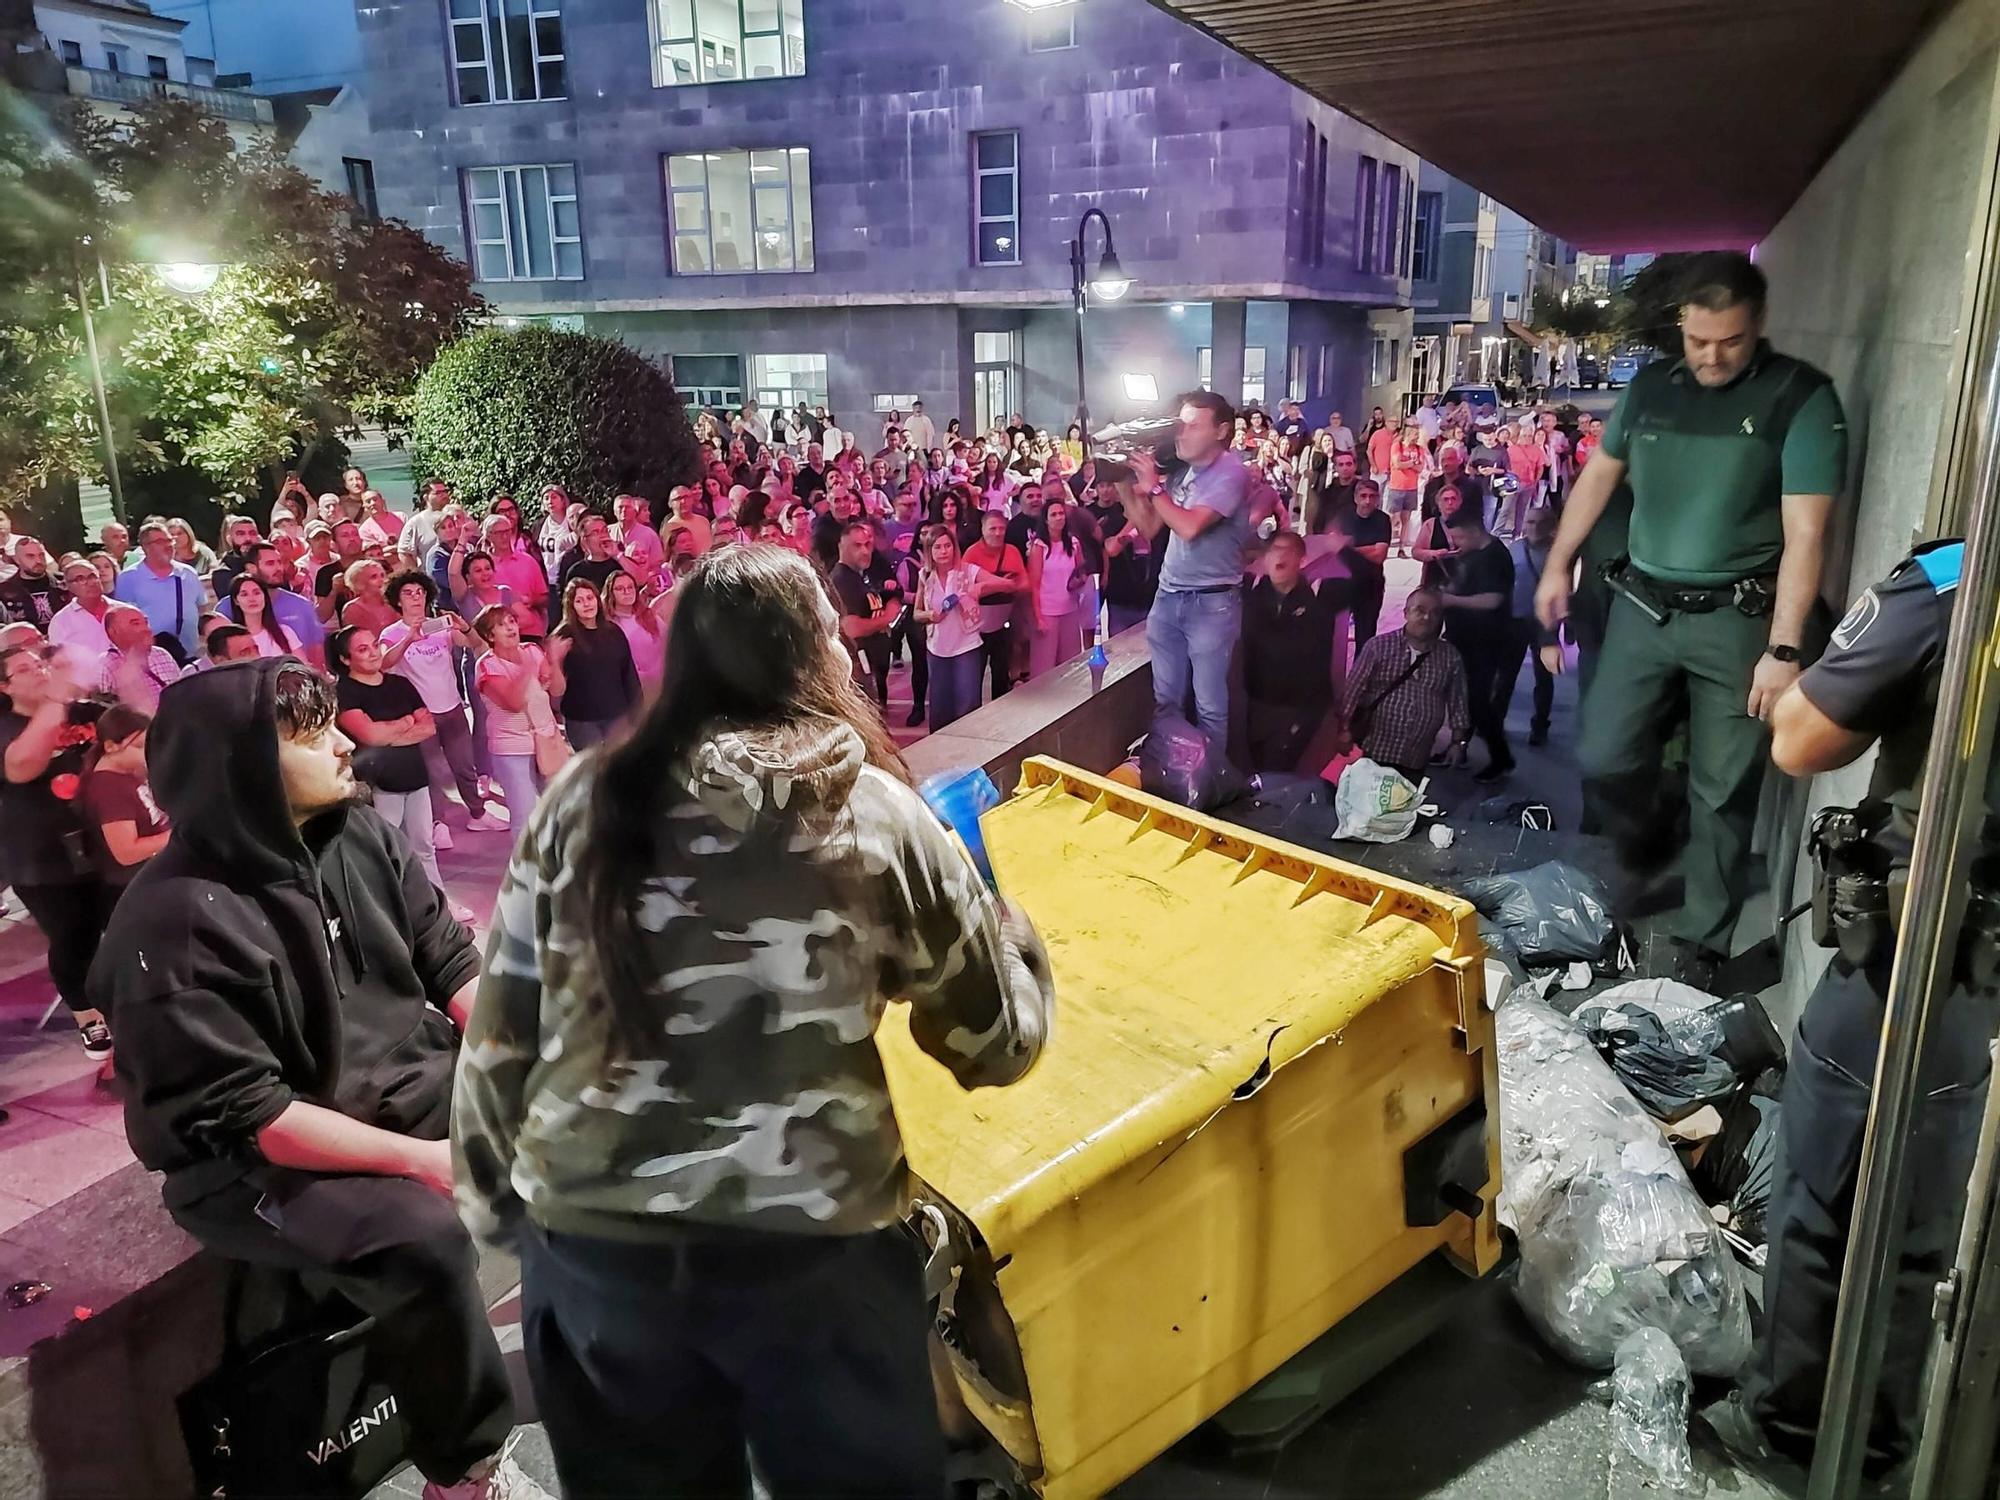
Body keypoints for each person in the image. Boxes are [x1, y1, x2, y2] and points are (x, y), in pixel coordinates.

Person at [450, 542, 1053, 1499]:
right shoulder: (881, 819)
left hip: (599, 1252)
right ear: (817, 654)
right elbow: (994, 1047)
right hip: (814, 1258)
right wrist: (1016, 943)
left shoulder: (582, 804)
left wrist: (496, 1212)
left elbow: (502, 1033)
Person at [91, 659, 545, 1500]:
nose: (345, 747)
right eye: (315, 735)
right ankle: (467, 1469)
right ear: (243, 766)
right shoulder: (173, 921)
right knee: (423, 1239)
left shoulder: (357, 833)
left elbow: (449, 962)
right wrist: (433, 1161)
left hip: (401, 1087)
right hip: (256, 1159)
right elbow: (257, 1115)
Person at [1708, 539, 1989, 1483]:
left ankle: (1795, 1435)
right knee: (1932, 1221)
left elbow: (1799, 738)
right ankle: (1891, 1446)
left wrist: (1802, 669)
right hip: (1980, 984)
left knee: (1830, 1195)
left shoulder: (1960, 580)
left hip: (1915, 970)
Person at [1536, 250, 1847, 988]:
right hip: (1645, 606)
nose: (1712, 357)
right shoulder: (1649, 389)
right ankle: (1650, 842)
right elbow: (1596, 481)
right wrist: (1558, 563)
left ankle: (1702, 942)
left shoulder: (1801, 398)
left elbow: (1807, 535)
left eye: (1730, 341)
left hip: (1739, 620)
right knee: (1604, 753)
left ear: (1757, 326)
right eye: (1699, 340)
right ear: (1683, 326)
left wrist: (1784, 646)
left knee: (1725, 786)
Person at [0, 641, 115, 1057]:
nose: (39, 672)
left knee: (123, 921)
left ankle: (133, 1000)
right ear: (5, 686)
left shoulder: (80, 710)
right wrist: (55, 700)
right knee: (73, 937)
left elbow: (134, 727)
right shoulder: (7, 725)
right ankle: (88, 1017)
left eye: (40, 664)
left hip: (100, 840)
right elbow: (21, 766)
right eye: (26, 669)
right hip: (41, 853)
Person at [1124, 391, 1255, 749]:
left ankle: (1210, 785)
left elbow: (1189, 527)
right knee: (1166, 701)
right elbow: (1150, 527)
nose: (1181, 433)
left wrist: (1152, 486)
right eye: (1179, 425)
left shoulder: (1231, 473)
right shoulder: (1183, 471)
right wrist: (1121, 477)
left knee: (1209, 705)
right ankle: (1172, 768)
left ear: (1220, 431)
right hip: (1169, 596)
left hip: (1212, 603)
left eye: (1193, 426)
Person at [331, 626, 475, 924]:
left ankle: (440, 905)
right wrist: (406, 723)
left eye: (374, 645)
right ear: (345, 659)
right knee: (385, 852)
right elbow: (369, 734)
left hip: (414, 776)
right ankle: (390, 914)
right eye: (362, 649)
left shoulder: (399, 684)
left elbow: (428, 727)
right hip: (380, 784)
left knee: (424, 847)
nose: (372, 653)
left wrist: (391, 731)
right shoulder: (345, 691)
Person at [378, 570, 504, 837]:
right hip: (421, 714)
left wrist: (463, 626)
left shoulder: (441, 626)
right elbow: (383, 663)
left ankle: (478, 813)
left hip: (452, 706)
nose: (416, 598)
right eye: (408, 593)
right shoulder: (391, 632)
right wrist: (408, 639)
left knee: (464, 765)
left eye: (420, 592)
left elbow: (477, 645)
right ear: (398, 601)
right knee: (432, 772)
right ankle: (437, 824)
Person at [1338, 588, 1470, 784]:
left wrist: (1457, 743)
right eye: (1420, 610)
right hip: (1375, 750)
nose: (1427, 617)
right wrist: (1343, 730)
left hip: (1415, 756)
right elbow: (1352, 691)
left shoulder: (1450, 657)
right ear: (1406, 613)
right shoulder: (1378, 647)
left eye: (1435, 613)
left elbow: (1458, 703)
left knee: (1403, 809)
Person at [1241, 532, 1336, 771]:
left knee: (1278, 767)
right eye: (1274, 549)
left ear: (1301, 561)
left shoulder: (1315, 605)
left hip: (1297, 707)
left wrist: (1305, 716)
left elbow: (1315, 664)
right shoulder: (1253, 594)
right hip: (1259, 703)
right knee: (1258, 766)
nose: (1279, 555)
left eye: (1287, 550)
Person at [1436, 509, 1518, 782]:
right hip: (1463, 637)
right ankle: (1458, 748)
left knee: (1479, 702)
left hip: (1486, 640)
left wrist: (1451, 602)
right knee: (1463, 699)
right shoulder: (1469, 553)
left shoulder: (1495, 557)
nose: (1455, 542)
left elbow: (1493, 599)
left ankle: (1501, 758)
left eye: (1459, 536)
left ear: (1474, 531)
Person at [473, 604, 564, 822]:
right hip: (512, 749)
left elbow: (557, 690)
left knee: (559, 807)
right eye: (501, 625)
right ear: (489, 635)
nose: (510, 628)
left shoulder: (532, 650)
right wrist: (527, 667)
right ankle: (523, 857)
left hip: (547, 741)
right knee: (525, 817)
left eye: (511, 621)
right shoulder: (487, 666)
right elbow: (514, 703)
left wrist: (555, 660)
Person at [80, 702, 169, 888]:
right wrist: (178, 835)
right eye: (139, 746)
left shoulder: (129, 771)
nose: (147, 752)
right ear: (111, 746)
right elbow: (126, 852)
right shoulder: (108, 788)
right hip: (138, 883)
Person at [915, 527, 993, 730]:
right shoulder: (924, 575)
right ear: (929, 551)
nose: (943, 551)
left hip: (966, 645)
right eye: (938, 547)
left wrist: (980, 588)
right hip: (937, 648)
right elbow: (916, 613)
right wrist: (930, 615)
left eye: (947, 546)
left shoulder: (967, 570)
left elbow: (1004, 583)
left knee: (967, 704)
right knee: (940, 706)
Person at [548, 577, 640, 749]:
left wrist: (637, 711)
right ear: (571, 606)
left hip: (617, 715)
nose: (586, 604)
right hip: (583, 720)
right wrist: (554, 660)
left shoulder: (613, 632)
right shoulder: (563, 636)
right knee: (594, 771)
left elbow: (629, 675)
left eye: (590, 598)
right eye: (579, 601)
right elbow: (556, 691)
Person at [1501, 507, 1558, 748]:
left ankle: (1540, 726)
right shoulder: (1514, 548)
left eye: (1540, 522)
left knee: (1543, 678)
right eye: (1530, 522)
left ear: (1550, 525)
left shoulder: (1559, 551)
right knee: (1504, 676)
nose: (1534, 527)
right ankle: (1495, 721)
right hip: (1515, 620)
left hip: (1545, 622)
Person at [828, 522, 902, 709]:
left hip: (870, 664)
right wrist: (887, 618)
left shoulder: (857, 575)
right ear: (841, 547)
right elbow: (851, 628)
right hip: (857, 668)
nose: (865, 551)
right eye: (857, 545)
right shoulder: (841, 579)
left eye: (867, 545)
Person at [222, 543, 325, 665]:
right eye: (270, 563)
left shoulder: (301, 606)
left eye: (279, 562)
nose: (279, 568)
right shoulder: (224, 609)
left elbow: (316, 651)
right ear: (251, 568)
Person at [114, 522, 203, 661]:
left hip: (190, 655)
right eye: (160, 541)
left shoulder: (188, 573)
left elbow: (201, 608)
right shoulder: (128, 578)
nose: (168, 546)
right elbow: (123, 621)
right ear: (145, 547)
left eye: (169, 540)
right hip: (152, 658)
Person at [963, 509, 1027, 700]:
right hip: (977, 628)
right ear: (983, 529)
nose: (998, 533)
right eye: (992, 528)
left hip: (1002, 624)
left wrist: (987, 586)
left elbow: (1024, 584)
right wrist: (1002, 584)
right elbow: (966, 591)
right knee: (974, 675)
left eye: (1001, 528)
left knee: (1001, 673)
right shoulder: (972, 553)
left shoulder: (1012, 551)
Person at [1094, 460, 1161, 638]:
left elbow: (1151, 532)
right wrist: (1133, 522)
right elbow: (1111, 548)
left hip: (1153, 596)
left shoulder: (1161, 513)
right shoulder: (1113, 519)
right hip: (1121, 596)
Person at [1025, 496, 1086, 678]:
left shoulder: (1074, 543)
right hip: (1047, 611)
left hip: (1070, 608)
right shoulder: (1039, 547)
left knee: (1070, 661)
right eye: (1054, 514)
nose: (1059, 517)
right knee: (1044, 664)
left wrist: (1079, 581)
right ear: (1046, 519)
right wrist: (1037, 617)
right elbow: (1033, 585)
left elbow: (1081, 571)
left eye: (1061, 514)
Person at [1332, 479, 1393, 650]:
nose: (1367, 501)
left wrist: (1349, 547)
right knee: (1334, 636)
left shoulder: (1382, 520)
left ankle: (1361, 674)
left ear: (1378, 499)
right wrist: (1368, 548)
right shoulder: (1343, 517)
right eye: (1363, 496)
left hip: (1370, 584)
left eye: (1372, 496)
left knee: (1365, 638)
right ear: (1356, 498)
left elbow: (1379, 555)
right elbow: (1332, 546)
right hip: (1343, 584)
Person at [97, 603, 183, 712]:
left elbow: (182, 694)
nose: (146, 629)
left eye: (146, 623)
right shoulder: (105, 666)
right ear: (114, 631)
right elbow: (107, 714)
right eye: (135, 624)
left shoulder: (162, 654)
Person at [48, 552, 115, 667]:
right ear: (68, 586)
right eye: (80, 579)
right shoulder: (61, 621)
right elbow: (59, 663)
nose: (89, 583)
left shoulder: (122, 609)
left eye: (92, 576)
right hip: (88, 682)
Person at [228, 575, 299, 658]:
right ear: (236, 601)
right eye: (244, 595)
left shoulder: (285, 632)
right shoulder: (232, 641)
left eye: (256, 593)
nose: (252, 599)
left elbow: (303, 666)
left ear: (265, 597)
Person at [1385, 423, 1428, 551]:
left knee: (1406, 519)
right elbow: (1397, 464)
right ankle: (1386, 542)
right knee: (1393, 517)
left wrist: (1407, 464)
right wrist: (1412, 463)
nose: (1417, 437)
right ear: (1408, 434)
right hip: (1397, 487)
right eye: (1415, 434)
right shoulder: (1397, 446)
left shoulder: (1419, 449)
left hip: (1411, 488)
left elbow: (1420, 468)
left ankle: (1401, 547)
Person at [341, 558, 398, 634]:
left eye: (382, 575)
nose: (382, 580)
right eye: (374, 577)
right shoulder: (353, 609)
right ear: (360, 583)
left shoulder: (394, 602)